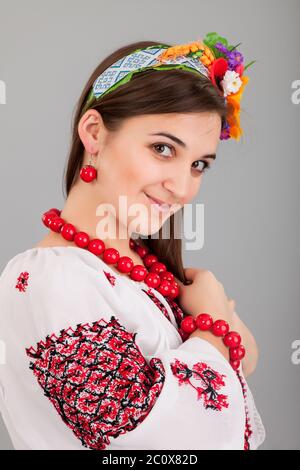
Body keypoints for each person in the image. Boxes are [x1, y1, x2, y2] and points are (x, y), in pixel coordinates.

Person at [0, 33, 266, 450]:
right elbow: (142, 439)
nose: (181, 186)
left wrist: (211, 319)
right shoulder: (48, 279)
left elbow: (248, 356)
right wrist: (213, 324)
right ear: (94, 133)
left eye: (198, 165)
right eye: (162, 148)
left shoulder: (145, 271)